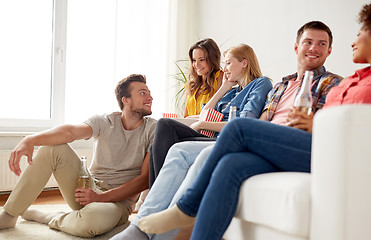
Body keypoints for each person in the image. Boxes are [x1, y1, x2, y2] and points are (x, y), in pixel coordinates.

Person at [111, 23, 343, 238]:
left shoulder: (332, 84)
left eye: (321, 44)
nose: (314, 48)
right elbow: (262, 120)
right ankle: (144, 231)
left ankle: (185, 207)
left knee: (237, 128)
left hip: (294, 145)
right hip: (265, 146)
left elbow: (332, 124)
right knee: (211, 159)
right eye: (308, 42)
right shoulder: (281, 85)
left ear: (329, 51)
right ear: (296, 47)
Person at [0, 74, 157, 237]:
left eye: (149, 93)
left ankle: (52, 217)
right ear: (126, 100)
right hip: (87, 187)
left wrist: (101, 197)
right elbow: (70, 132)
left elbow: (144, 180)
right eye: (143, 93)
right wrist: (30, 139)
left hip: (117, 202)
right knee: (52, 149)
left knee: (91, 222)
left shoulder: (153, 129)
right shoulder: (105, 121)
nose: (150, 97)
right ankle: (10, 215)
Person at [149, 43, 272, 187]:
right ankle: (158, 191)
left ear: (244, 63)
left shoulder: (260, 83)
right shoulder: (233, 91)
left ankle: (159, 189)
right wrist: (224, 88)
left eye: (228, 63)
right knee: (158, 139)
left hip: (225, 139)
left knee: (166, 125)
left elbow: (244, 122)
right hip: (211, 136)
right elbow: (205, 113)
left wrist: (202, 125)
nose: (224, 68)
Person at [183, 38, 224, 118]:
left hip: (208, 128)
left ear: (212, 59)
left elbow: (218, 114)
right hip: (190, 128)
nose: (196, 65)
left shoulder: (220, 77)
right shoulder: (191, 85)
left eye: (202, 60)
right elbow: (185, 116)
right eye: (194, 60)